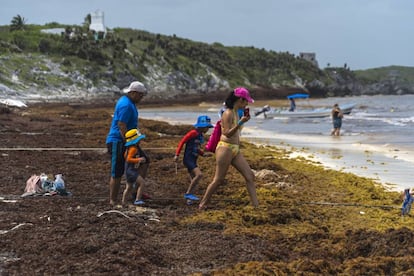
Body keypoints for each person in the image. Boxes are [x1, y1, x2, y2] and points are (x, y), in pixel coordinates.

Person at [198, 87, 259, 210]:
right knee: (218, 179)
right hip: (225, 148)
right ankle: (203, 203)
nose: (247, 104)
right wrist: (241, 123)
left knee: (250, 176)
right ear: (240, 100)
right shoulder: (228, 113)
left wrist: (243, 121)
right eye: (246, 101)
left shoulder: (237, 112)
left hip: (235, 149)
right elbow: (226, 133)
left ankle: (256, 206)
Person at [105, 81, 150, 206]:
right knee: (117, 171)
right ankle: (113, 200)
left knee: (145, 160)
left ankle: (136, 192)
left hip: (131, 140)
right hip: (118, 141)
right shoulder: (125, 105)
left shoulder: (131, 103)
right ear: (134, 93)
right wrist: (128, 144)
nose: (141, 98)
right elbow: (121, 125)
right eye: (140, 95)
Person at [174, 115, 214, 205]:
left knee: (193, 179)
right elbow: (182, 142)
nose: (208, 129)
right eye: (207, 127)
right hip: (188, 159)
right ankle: (188, 194)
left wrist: (203, 154)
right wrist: (177, 155)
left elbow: (196, 148)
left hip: (194, 159)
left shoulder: (200, 136)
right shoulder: (193, 133)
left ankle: (189, 200)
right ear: (202, 126)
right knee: (199, 175)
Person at [122, 129, 147, 205]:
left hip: (129, 171)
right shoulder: (133, 149)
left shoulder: (129, 148)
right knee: (142, 183)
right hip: (131, 171)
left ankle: (123, 202)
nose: (140, 141)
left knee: (129, 187)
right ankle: (137, 199)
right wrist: (138, 159)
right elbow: (128, 159)